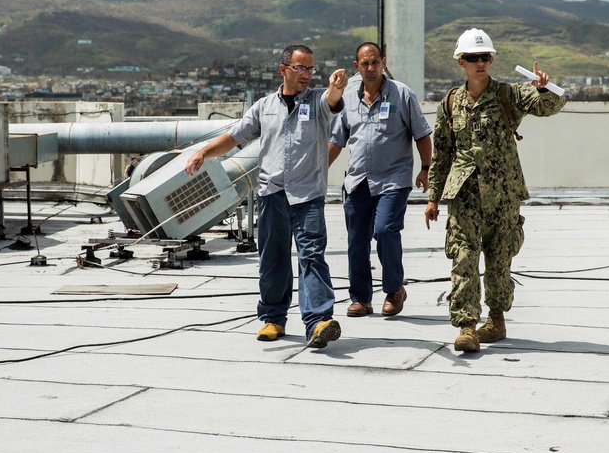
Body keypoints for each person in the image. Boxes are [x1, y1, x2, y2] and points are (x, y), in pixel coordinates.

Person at [185, 44, 349, 349]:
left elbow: (332, 101)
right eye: (300, 68)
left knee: (311, 256)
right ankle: (274, 318)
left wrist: (336, 88)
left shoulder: (316, 101)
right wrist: (204, 153)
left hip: (307, 195)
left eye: (311, 69)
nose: (306, 75)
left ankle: (318, 322)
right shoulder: (264, 106)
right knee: (272, 259)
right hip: (273, 193)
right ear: (283, 69)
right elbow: (235, 137)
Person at [424, 28, 566, 353]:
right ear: (461, 61)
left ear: (492, 60)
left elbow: (551, 105)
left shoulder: (508, 95)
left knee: (499, 261)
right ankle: (466, 326)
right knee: (463, 258)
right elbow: (442, 153)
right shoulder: (450, 102)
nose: (479, 63)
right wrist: (433, 198)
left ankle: (496, 320)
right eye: (472, 58)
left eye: (484, 57)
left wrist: (546, 89)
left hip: (503, 196)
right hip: (464, 196)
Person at [328, 42, 432, 318]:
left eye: (375, 62)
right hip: (358, 181)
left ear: (383, 62)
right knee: (357, 241)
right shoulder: (348, 99)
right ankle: (361, 298)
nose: (371, 68)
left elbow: (421, 134)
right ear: (357, 67)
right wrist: (316, 172)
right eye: (365, 64)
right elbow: (336, 141)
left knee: (385, 230)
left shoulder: (402, 94)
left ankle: (394, 289)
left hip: (393, 180)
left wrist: (425, 167)